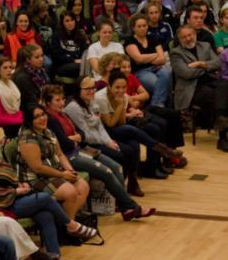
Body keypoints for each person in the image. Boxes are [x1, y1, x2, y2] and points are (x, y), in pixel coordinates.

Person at [0, 124, 94, 260]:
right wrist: (15, 191)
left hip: (12, 197)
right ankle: (71, 225)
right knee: (45, 198)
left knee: (45, 215)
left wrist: (18, 185)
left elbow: (8, 176)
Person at [40, 84, 155, 221]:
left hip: (80, 149)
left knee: (116, 166)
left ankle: (125, 207)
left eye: (63, 99)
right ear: (48, 102)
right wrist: (75, 138)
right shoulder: (50, 119)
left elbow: (82, 134)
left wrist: (75, 138)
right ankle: (131, 207)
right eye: (57, 100)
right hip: (69, 157)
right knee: (107, 172)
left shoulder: (63, 114)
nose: (62, 103)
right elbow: (64, 143)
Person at [94, 70, 183, 178]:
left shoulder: (124, 96)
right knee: (130, 129)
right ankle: (163, 149)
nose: (121, 90)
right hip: (103, 131)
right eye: (117, 87)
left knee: (152, 130)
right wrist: (120, 105)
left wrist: (122, 105)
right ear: (109, 86)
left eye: (124, 87)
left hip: (118, 127)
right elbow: (110, 124)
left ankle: (151, 168)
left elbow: (122, 121)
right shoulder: (101, 98)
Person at [64, 75, 145, 195]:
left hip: (99, 140)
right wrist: (105, 142)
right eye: (87, 89)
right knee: (120, 155)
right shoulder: (74, 108)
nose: (91, 91)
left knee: (130, 150)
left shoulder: (91, 101)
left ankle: (127, 185)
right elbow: (86, 135)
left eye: (93, 88)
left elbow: (100, 126)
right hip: (85, 145)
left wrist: (109, 141)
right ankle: (118, 191)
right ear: (78, 90)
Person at [170, 24, 228, 152]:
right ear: (179, 39)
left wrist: (200, 64)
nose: (188, 39)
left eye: (190, 35)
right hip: (192, 88)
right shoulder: (175, 53)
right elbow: (186, 73)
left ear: (194, 34)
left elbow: (218, 63)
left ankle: (220, 122)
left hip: (212, 81)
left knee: (225, 84)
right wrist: (207, 68)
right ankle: (223, 139)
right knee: (219, 97)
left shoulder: (205, 45)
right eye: (184, 37)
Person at [125, 14, 172, 109]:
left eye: (144, 25)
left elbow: (162, 59)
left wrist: (145, 58)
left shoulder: (153, 38)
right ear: (133, 28)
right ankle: (158, 107)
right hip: (140, 71)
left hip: (156, 68)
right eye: (139, 26)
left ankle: (155, 106)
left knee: (167, 72)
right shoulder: (130, 41)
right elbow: (138, 59)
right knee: (158, 84)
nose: (142, 28)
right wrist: (155, 55)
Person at [0, 57, 23, 138]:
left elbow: (17, 109)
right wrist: (20, 120)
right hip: (4, 128)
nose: (9, 70)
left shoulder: (11, 83)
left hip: (17, 119)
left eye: (10, 67)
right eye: (5, 68)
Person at [51, 12, 89, 79]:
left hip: (79, 62)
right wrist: (74, 60)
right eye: (67, 21)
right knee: (82, 66)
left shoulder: (80, 35)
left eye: (72, 20)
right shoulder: (56, 36)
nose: (70, 23)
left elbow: (85, 50)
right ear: (62, 23)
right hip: (62, 65)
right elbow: (58, 55)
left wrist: (82, 59)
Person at [13, 44, 50, 110]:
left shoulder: (41, 70)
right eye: (37, 57)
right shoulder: (22, 77)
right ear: (28, 60)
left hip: (42, 103)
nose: (41, 59)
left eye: (42, 56)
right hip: (31, 110)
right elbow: (31, 101)